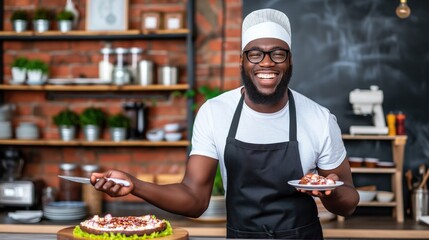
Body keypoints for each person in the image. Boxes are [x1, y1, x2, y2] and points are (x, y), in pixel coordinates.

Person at [91, 8, 359, 239]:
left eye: (278, 54)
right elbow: (194, 199)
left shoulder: (318, 118)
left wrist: (330, 190)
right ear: (241, 60)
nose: (267, 62)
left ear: (289, 61)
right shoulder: (215, 112)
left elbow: (348, 203)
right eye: (255, 54)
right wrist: (135, 185)